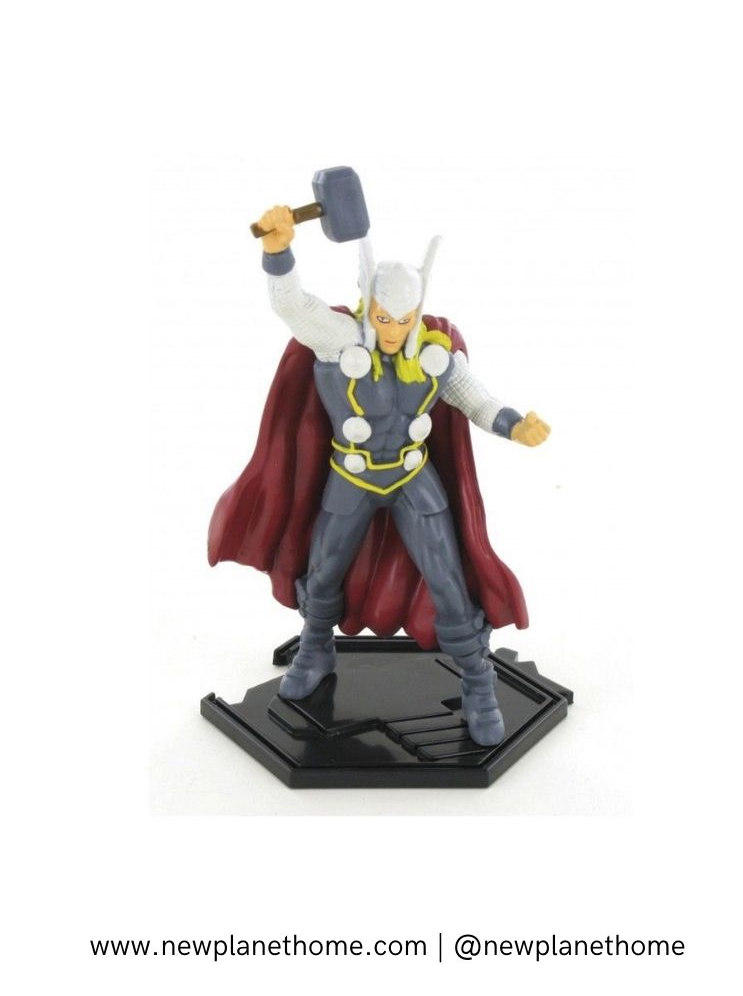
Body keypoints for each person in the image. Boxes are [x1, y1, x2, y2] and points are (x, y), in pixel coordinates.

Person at [215, 204, 550, 746]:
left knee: (446, 578)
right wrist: (278, 251)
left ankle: (476, 678)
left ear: (418, 312)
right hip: (350, 479)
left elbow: (477, 400)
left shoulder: (434, 357)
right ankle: (315, 649)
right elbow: (292, 305)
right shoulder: (338, 339)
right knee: (323, 571)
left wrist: (516, 426)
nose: (393, 329)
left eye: (404, 318)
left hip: (413, 480)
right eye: (384, 317)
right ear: (368, 306)